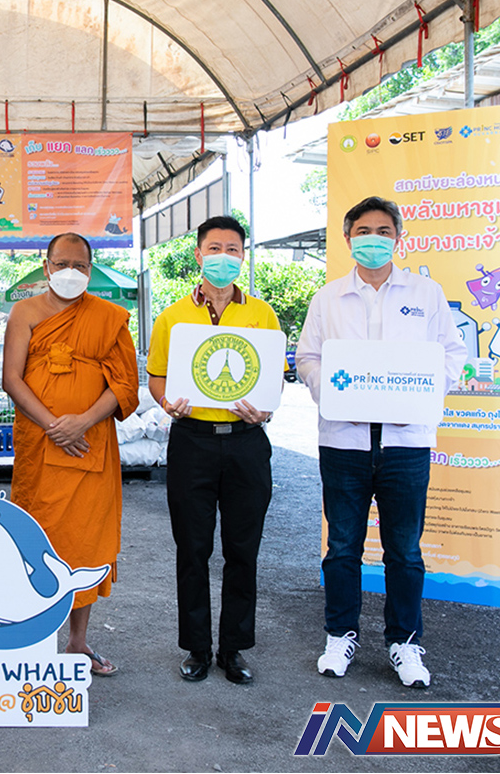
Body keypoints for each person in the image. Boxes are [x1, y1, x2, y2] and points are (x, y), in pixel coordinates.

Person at [295, 196, 465, 688]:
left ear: (398, 238)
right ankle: (339, 635)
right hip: (343, 442)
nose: (374, 239)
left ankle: (405, 642)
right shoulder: (328, 298)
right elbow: (307, 358)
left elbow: (452, 354)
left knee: (404, 551)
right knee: (342, 547)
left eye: (384, 231)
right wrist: (334, 394)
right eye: (364, 231)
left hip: (406, 443)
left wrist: (422, 392)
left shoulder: (426, 293)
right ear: (348, 238)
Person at [146, 215, 281, 685]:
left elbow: (270, 380)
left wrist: (264, 410)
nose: (224, 257)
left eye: (233, 249)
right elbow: (157, 377)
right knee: (193, 549)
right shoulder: (172, 316)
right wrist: (167, 402)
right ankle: (197, 648)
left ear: (243, 256)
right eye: (215, 248)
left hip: (246, 443)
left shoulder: (261, 314)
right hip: (193, 441)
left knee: (243, 550)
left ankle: (234, 648)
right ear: (199, 254)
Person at [3, 233, 139, 676]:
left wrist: (81, 422)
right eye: (62, 264)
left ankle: (77, 643)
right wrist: (53, 425)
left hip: (88, 446)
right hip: (40, 444)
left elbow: (125, 384)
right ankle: (31, 640)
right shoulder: (25, 312)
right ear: (46, 267)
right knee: (36, 540)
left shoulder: (108, 318)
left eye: (80, 266)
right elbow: (12, 379)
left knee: (83, 543)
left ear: (90, 270)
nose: (70, 272)